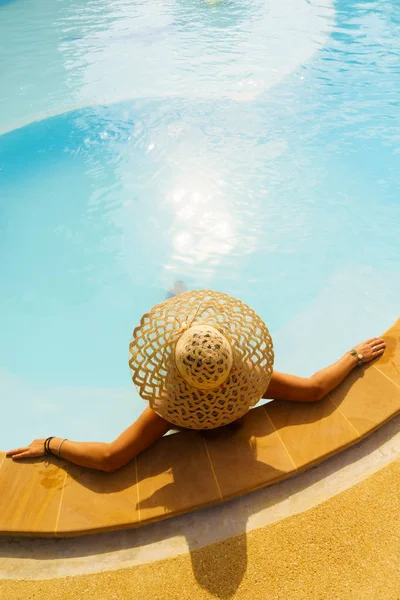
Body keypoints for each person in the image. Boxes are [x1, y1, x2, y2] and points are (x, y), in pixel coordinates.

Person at [6, 289, 386, 472]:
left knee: (177, 301)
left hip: (183, 401)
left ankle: (175, 296)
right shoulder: (247, 382)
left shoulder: (172, 408)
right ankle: (178, 295)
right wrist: (352, 357)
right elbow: (315, 390)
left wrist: (53, 443)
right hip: (230, 394)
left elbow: (111, 458)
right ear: (231, 357)